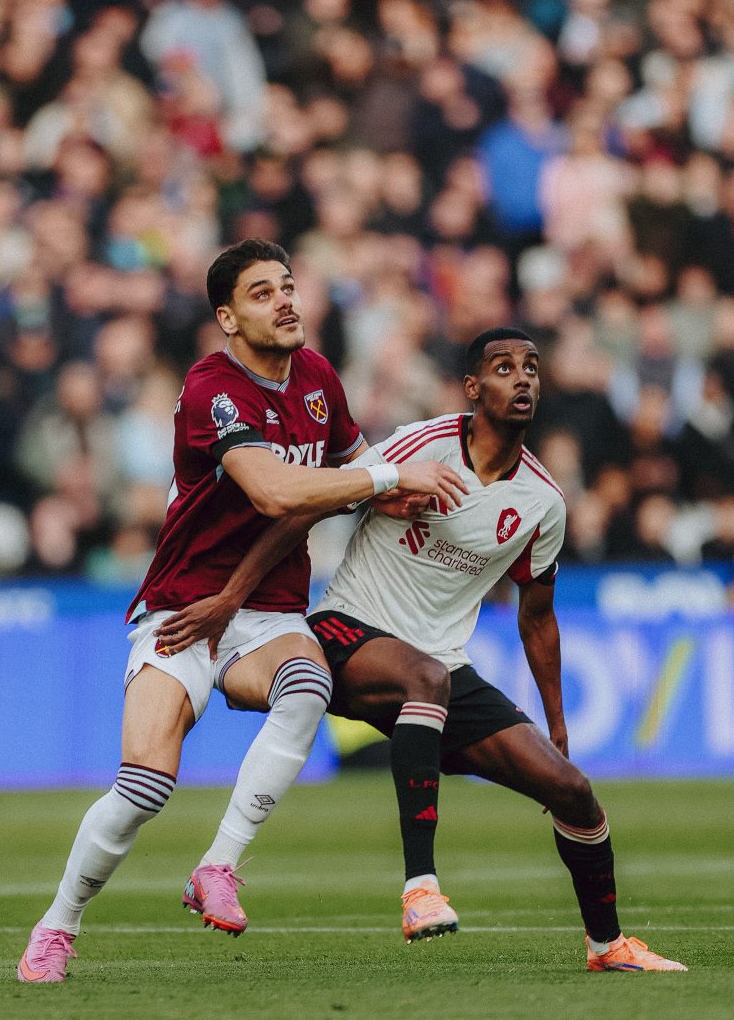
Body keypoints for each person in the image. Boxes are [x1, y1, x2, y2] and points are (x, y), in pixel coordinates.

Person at [156, 327, 688, 971]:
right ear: (473, 387)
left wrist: (557, 728)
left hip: (438, 668)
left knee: (572, 791)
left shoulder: (543, 500)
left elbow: (538, 619)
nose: (521, 378)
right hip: (345, 631)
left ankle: (607, 946)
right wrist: (231, 599)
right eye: (503, 367)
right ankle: (420, 890)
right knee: (425, 678)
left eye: (531, 368)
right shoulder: (424, 443)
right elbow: (307, 508)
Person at [16, 238, 465, 983]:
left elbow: (352, 475)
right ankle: (57, 925)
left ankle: (217, 866)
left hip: (269, 610)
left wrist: (405, 490)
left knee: (308, 685)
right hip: (183, 611)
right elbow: (278, 492)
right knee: (142, 790)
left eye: (287, 286)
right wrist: (385, 472)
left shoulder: (317, 375)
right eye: (261, 293)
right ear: (227, 317)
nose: (285, 300)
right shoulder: (211, 390)